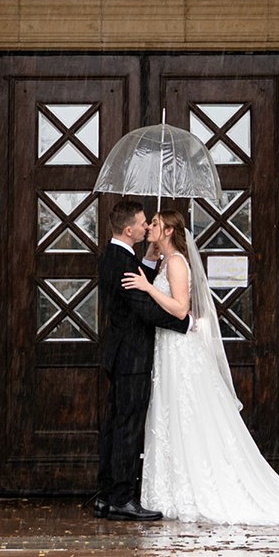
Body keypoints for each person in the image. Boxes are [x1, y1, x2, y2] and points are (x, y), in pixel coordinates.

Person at [130, 206, 279, 527]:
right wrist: (152, 262)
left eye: (155, 223)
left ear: (168, 230)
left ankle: (195, 488)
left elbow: (180, 310)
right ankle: (169, 489)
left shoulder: (178, 262)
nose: (149, 227)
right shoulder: (165, 261)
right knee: (171, 414)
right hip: (167, 347)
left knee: (186, 413)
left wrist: (149, 288)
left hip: (179, 349)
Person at [95, 196, 186, 521]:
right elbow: (142, 307)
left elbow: (138, 285)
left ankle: (106, 495)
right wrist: (184, 322)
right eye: (144, 221)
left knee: (116, 424)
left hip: (121, 354)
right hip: (131, 357)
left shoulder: (119, 256)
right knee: (128, 426)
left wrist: (148, 260)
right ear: (130, 228)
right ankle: (121, 497)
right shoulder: (121, 261)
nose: (148, 225)